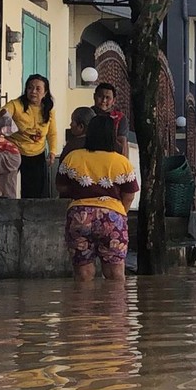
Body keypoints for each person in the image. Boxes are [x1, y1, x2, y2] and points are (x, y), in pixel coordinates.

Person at [56, 116, 139, 281]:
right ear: (112, 135)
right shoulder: (122, 162)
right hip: (113, 217)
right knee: (115, 275)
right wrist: (119, 214)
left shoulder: (73, 157)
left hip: (79, 217)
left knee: (83, 275)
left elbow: (61, 186)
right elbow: (129, 194)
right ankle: (114, 306)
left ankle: (83, 305)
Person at [0, 74, 57, 198]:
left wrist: (52, 151)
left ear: (45, 92)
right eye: (30, 88)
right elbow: (1, 114)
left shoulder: (49, 110)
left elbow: (52, 133)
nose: (33, 91)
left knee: (33, 192)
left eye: (38, 89)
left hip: (37, 153)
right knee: (7, 188)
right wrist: (2, 114)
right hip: (14, 151)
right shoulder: (16, 104)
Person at [92, 82, 129, 157]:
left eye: (107, 97)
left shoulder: (120, 118)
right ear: (94, 96)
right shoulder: (87, 114)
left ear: (114, 100)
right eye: (100, 96)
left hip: (112, 159)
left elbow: (123, 143)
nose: (104, 100)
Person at [0, 112, 21, 198]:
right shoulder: (1, 136)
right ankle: (6, 199)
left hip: (9, 155)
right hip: (13, 156)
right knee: (7, 183)